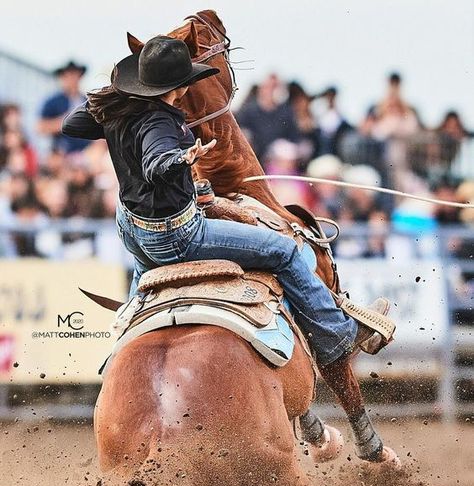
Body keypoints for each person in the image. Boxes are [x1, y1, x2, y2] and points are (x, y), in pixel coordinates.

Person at [62, 34, 393, 370]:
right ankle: (338, 332)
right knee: (283, 250)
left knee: (142, 293)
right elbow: (154, 163)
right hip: (176, 236)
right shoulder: (161, 121)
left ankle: (122, 343)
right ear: (181, 86)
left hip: (134, 234)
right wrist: (181, 158)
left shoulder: (124, 113)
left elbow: (70, 124)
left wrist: (115, 96)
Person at [38, 60, 90, 154]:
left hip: (87, 152)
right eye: (68, 75)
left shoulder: (87, 101)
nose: (71, 79)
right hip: (62, 151)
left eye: (74, 75)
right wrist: (65, 121)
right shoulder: (53, 101)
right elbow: (40, 127)